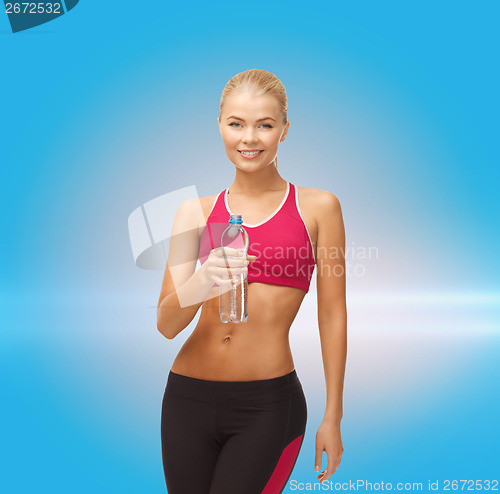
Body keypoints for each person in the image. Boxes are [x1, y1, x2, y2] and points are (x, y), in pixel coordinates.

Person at [157, 69, 347, 493]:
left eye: (265, 124)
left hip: (267, 406)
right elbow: (166, 324)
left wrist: (332, 415)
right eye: (236, 124)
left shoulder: (318, 208)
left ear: (284, 130)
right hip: (186, 399)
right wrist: (201, 281)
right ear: (220, 126)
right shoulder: (194, 213)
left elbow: (332, 315)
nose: (250, 138)